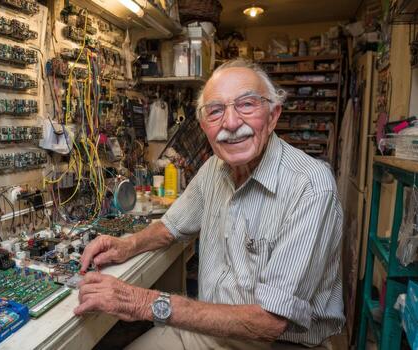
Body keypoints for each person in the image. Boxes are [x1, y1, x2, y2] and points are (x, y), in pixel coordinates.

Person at [74, 59, 345, 349]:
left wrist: (143, 302)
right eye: (216, 111)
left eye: (247, 105)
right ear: (204, 126)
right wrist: (127, 245)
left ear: (273, 115)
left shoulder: (311, 186)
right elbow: (171, 226)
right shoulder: (214, 168)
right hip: (211, 329)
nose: (230, 123)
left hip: (277, 342)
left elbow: (270, 321)